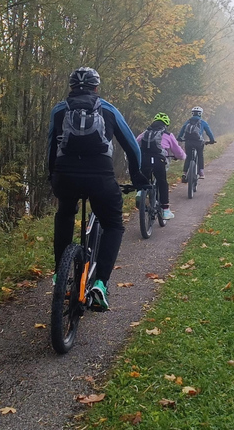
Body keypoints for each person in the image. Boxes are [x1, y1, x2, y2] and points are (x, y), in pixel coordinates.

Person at [47, 67, 148, 311]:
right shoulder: (108, 109)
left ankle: (60, 274)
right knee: (113, 224)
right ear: (96, 87)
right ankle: (100, 284)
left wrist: (53, 177)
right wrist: (138, 177)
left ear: (71, 87)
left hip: (66, 176)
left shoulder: (60, 110)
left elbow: (51, 146)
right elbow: (132, 147)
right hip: (101, 178)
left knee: (65, 214)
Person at [136, 112, 186, 219]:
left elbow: (136, 143)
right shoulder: (168, 135)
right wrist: (182, 157)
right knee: (162, 182)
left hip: (145, 159)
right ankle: (165, 210)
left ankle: (140, 192)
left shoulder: (145, 133)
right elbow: (177, 151)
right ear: (165, 125)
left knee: (144, 178)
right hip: (159, 160)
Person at [177, 106, 216, 182]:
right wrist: (212, 140)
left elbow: (182, 130)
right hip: (198, 142)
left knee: (188, 157)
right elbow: (209, 132)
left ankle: (184, 173)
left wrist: (179, 138)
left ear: (192, 113)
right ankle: (201, 172)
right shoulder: (203, 122)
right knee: (200, 155)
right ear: (200, 114)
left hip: (188, 142)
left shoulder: (188, 122)